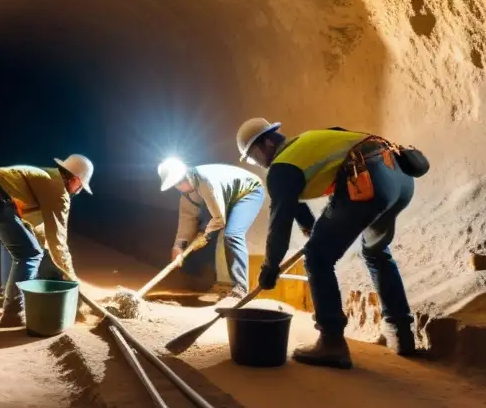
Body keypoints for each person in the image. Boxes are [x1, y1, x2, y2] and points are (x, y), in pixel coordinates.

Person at [236, 118, 419, 369]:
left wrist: (270, 266)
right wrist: (313, 231)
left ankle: (331, 341)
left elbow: (279, 222)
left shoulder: (281, 168)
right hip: (400, 176)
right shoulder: (307, 142)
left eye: (253, 156)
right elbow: (294, 204)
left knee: (317, 258)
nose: (257, 163)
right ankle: (402, 333)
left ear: (266, 143)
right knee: (375, 251)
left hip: (367, 178)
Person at [0, 155, 94, 327]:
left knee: (15, 245)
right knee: (31, 254)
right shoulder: (58, 192)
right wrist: (71, 278)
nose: (79, 190)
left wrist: (50, 256)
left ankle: (8, 296)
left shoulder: (45, 177)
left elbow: (37, 227)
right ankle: (14, 313)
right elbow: (59, 242)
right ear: (76, 179)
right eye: (81, 186)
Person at [157, 157, 265, 302]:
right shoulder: (187, 195)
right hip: (226, 197)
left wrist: (205, 236)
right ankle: (203, 280)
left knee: (232, 234)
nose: (178, 187)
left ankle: (240, 289)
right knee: (203, 228)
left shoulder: (207, 182)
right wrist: (179, 246)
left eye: (179, 182)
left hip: (249, 192)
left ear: (186, 175)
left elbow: (219, 219)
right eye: (175, 185)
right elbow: (187, 220)